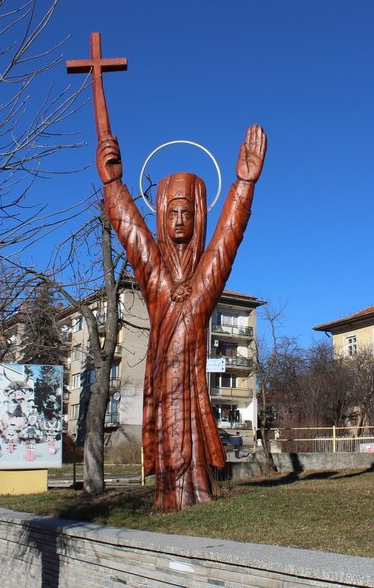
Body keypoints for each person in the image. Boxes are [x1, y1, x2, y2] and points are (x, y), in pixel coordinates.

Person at [98, 126, 266, 511]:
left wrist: (244, 185)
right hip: (162, 385)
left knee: (191, 439)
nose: (177, 220)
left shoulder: (204, 278)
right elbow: (131, 232)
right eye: (171, 212)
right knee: (169, 439)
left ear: (198, 217)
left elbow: (227, 238)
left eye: (186, 213)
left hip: (191, 385)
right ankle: (170, 496)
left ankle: (195, 491)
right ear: (161, 214)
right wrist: (113, 184)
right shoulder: (155, 274)